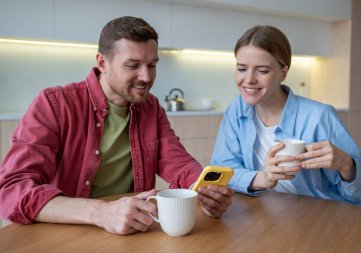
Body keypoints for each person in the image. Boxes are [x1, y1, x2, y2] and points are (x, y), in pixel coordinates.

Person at [0, 16, 234, 235]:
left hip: (129, 231)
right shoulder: (55, 104)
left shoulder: (150, 107)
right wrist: (101, 212)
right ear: (102, 63)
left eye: (152, 65)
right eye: (133, 66)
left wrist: (203, 189)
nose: (146, 77)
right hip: (68, 232)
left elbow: (177, 161)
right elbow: (12, 189)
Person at [210, 25, 361, 208]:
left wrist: (346, 165)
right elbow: (221, 171)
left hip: (328, 218)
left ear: (283, 72)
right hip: (274, 216)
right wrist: (262, 178)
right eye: (242, 68)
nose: (249, 79)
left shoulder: (319, 117)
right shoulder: (236, 109)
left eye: (262, 70)